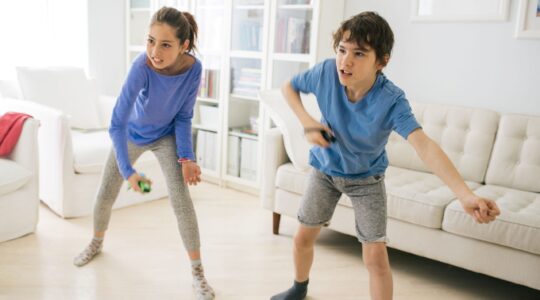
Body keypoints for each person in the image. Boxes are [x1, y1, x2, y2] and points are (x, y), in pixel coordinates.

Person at [271, 11, 501, 300]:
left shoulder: (391, 100)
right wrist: (308, 122)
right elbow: (288, 88)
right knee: (303, 237)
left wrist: (466, 196)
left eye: (359, 53)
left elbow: (424, 145)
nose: (345, 61)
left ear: (381, 61)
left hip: (367, 180)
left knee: (375, 258)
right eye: (342, 50)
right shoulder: (325, 73)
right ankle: (299, 287)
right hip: (325, 171)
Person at [73, 7, 215, 300]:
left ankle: (198, 273)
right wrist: (129, 172)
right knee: (106, 192)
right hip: (132, 135)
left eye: (165, 44)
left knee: (181, 200)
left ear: (184, 46)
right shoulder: (142, 66)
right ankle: (96, 242)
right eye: (150, 41)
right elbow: (117, 123)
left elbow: (184, 116)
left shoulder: (194, 70)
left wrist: (187, 159)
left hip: (165, 137)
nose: (155, 52)